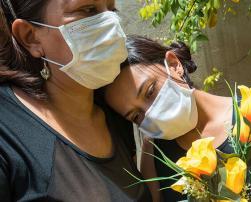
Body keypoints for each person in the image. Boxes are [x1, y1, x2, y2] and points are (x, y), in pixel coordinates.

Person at [0, 1, 151, 201]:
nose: (111, 24)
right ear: (31, 38)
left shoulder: (113, 111)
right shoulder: (7, 132)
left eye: (111, 9)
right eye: (88, 10)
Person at [105, 35, 251, 202]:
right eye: (136, 115)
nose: (150, 112)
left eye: (150, 91)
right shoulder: (153, 153)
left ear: (174, 65)